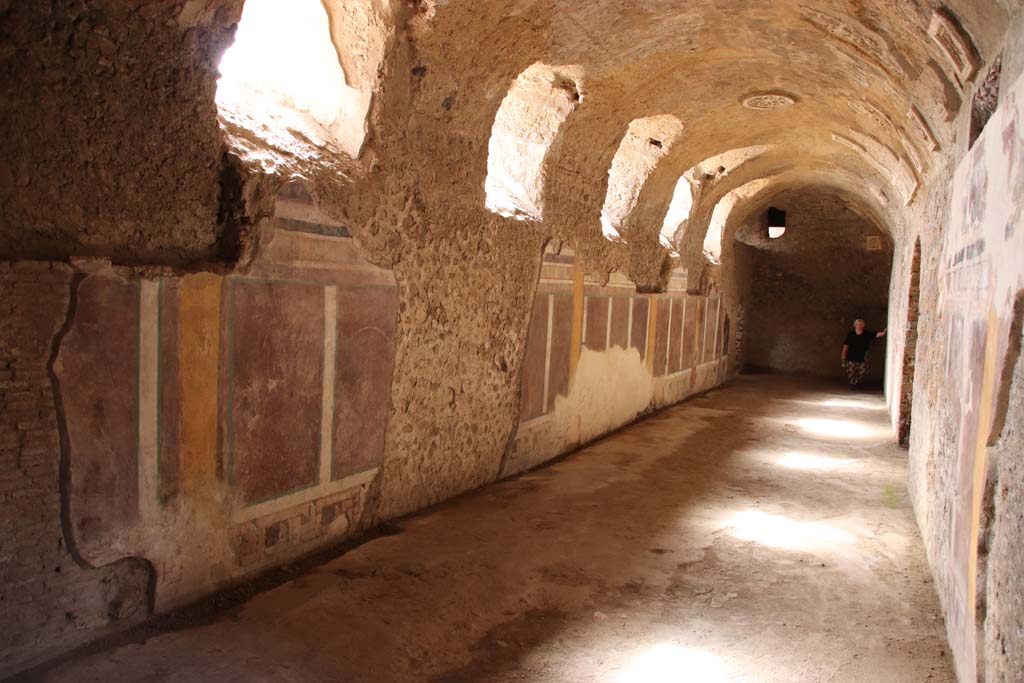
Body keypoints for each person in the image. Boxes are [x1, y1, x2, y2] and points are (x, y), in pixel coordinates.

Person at [841, 319, 886, 389]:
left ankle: (857, 382)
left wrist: (883, 333)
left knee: (862, 372)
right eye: (857, 325)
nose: (859, 326)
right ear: (854, 325)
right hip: (851, 356)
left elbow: (876, 334)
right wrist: (843, 355)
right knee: (851, 371)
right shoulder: (851, 334)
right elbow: (846, 345)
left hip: (862, 357)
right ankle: (853, 384)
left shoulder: (866, 334)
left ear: (863, 326)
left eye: (860, 325)